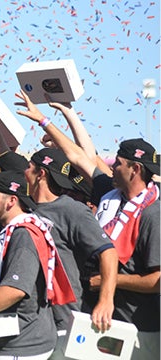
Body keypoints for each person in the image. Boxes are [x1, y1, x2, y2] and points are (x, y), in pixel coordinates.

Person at [15, 90, 160, 359]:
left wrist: (109, 280)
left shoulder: (153, 213)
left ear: (135, 169)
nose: (111, 166)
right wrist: (51, 118)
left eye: (118, 163)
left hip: (141, 327)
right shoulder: (109, 194)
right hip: (101, 318)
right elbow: (79, 155)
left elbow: (157, 280)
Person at [0, 171, 75, 359]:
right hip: (9, 341)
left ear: (11, 201)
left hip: (23, 344)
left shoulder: (23, 234)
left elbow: (15, 289)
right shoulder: (9, 230)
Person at [24, 148, 117, 359]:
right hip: (34, 327)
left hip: (67, 324)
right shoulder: (26, 211)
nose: (23, 172)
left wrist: (105, 300)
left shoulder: (72, 210)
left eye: (28, 167)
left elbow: (108, 252)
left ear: (41, 174)